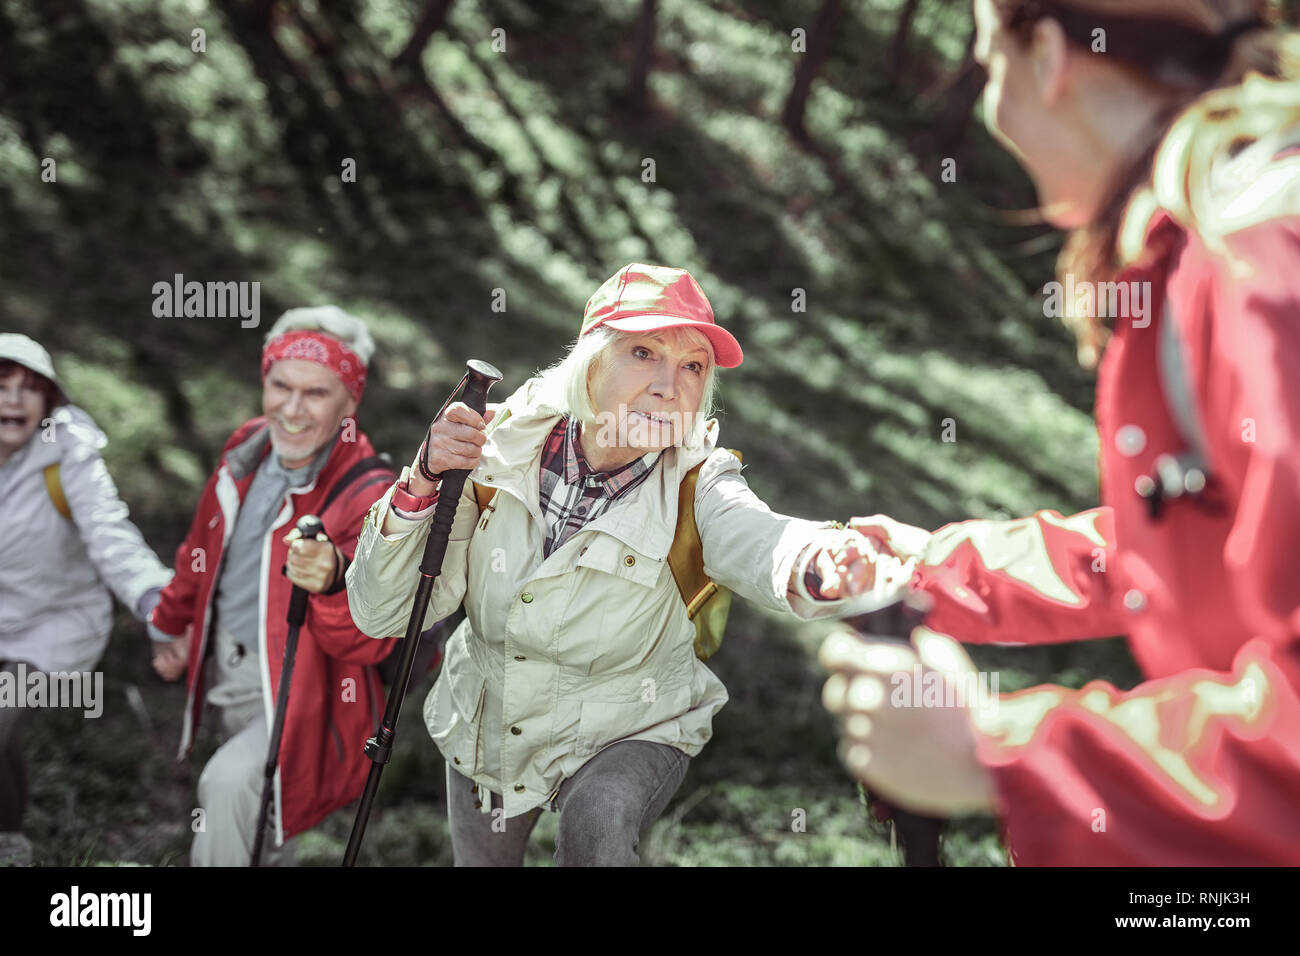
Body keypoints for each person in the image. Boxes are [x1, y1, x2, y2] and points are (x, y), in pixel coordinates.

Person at [821, 0, 1300, 864]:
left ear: (1047, 55)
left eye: (987, 66)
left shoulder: (1258, 263)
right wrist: (941, 570)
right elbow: (1204, 538)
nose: (994, 108)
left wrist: (1001, 756)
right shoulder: (1226, 233)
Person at [346, 263, 915, 866]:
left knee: (601, 815)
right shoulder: (494, 448)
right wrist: (423, 483)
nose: (670, 385)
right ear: (590, 362)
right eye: (644, 352)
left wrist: (826, 559)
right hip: (493, 715)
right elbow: (383, 612)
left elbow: (763, 539)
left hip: (633, 721)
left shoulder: (699, 484)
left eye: (692, 366)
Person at [148, 306, 398, 865]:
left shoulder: (369, 493)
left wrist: (333, 578)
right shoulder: (249, 446)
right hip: (230, 668)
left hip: (308, 691)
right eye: (280, 386)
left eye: (316, 393)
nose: (291, 409)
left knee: (229, 786)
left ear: (350, 402)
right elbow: (200, 548)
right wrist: (172, 622)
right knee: (260, 823)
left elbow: (369, 639)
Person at [0, 333, 173, 866]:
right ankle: (9, 832)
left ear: (49, 404)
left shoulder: (67, 455)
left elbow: (109, 533)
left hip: (59, 624)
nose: (14, 401)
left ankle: (8, 847)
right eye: (1, 386)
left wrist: (156, 601)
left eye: (30, 389)